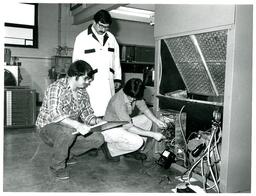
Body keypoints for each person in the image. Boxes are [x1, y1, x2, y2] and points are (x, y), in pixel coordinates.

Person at [35, 60, 104, 180]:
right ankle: (57, 166)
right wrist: (77, 125)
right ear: (74, 75)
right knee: (68, 132)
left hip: (68, 128)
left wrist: (98, 121)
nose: (88, 82)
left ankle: (67, 153)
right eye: (86, 79)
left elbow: (87, 115)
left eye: (89, 79)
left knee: (99, 138)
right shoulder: (56, 87)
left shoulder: (82, 92)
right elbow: (55, 115)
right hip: (47, 128)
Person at [101, 78, 167, 162]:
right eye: (130, 97)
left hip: (122, 124)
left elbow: (144, 109)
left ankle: (132, 150)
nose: (132, 100)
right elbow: (129, 127)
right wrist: (153, 134)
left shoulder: (134, 93)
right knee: (138, 142)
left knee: (147, 119)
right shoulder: (118, 101)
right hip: (110, 129)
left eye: (135, 98)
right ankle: (110, 149)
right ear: (126, 91)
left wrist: (157, 121)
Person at [72, 9, 122, 117]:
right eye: (101, 26)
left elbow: (116, 59)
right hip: (90, 82)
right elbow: (76, 62)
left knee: (108, 111)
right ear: (94, 22)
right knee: (91, 111)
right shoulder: (82, 38)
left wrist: (117, 78)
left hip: (108, 81)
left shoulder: (111, 38)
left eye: (106, 27)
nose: (103, 29)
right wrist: (78, 80)